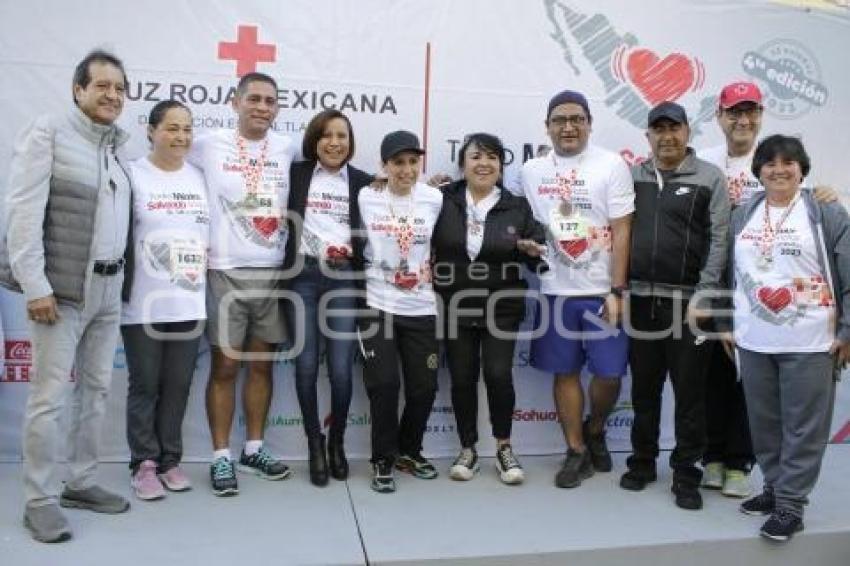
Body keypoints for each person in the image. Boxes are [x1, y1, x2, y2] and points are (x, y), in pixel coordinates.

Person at [0, 49, 133, 542]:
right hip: (61, 289)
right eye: (101, 85)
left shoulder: (115, 148)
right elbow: (22, 214)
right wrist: (35, 286)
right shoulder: (49, 134)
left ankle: (81, 481)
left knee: (96, 391)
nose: (111, 95)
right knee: (48, 397)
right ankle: (39, 498)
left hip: (108, 288)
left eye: (119, 88)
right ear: (78, 90)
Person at [718, 135, 850, 541]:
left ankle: (791, 505)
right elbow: (730, 274)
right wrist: (728, 322)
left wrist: (847, 331)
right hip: (755, 340)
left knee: (803, 428)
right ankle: (775, 488)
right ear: (758, 169)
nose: (779, 169)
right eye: (770, 163)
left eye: (788, 162)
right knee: (765, 424)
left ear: (802, 169)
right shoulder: (744, 213)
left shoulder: (825, 210)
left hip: (811, 341)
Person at [519, 90, 634, 489]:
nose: (568, 126)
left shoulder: (611, 164)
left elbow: (622, 230)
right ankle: (576, 450)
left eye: (576, 119)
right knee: (564, 373)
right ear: (547, 126)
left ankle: (596, 428)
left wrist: (617, 290)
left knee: (609, 373)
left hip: (602, 290)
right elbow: (526, 223)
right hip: (554, 289)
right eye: (559, 120)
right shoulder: (532, 170)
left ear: (589, 123)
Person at [621, 101, 730, 511]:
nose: (666, 136)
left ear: (687, 132)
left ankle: (687, 473)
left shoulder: (710, 177)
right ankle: (642, 462)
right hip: (641, 300)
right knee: (644, 390)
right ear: (648, 135)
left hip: (689, 304)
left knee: (690, 396)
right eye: (658, 129)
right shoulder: (631, 176)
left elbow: (720, 239)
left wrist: (705, 293)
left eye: (674, 128)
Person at [188, 72, 294, 496]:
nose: (262, 108)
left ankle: (253, 449)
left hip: (271, 271)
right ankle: (220, 457)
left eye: (270, 101)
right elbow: (169, 158)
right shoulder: (208, 143)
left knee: (262, 365)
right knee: (225, 366)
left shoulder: (285, 147)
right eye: (254, 99)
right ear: (235, 103)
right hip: (224, 270)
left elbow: (331, 169)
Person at [432, 133, 546, 484]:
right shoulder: (440, 199)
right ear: (462, 164)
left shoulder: (517, 205)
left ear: (501, 165)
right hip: (455, 304)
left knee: (498, 374)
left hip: (502, 305)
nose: (484, 163)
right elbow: (401, 209)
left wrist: (533, 249)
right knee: (462, 377)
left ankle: (503, 447)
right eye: (476, 156)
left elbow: (539, 248)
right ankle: (467, 449)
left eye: (493, 157)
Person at [122, 100, 209, 500]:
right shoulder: (132, 175)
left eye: (187, 129)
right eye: (172, 128)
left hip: (189, 303)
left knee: (178, 385)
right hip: (143, 304)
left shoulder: (199, 177)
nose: (181, 137)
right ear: (152, 131)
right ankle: (144, 464)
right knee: (145, 384)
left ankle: (171, 461)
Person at [284, 109, 372, 486]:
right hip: (301, 276)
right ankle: (313, 444)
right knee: (305, 366)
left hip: (343, 280)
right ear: (314, 140)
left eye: (342, 136)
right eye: (327, 135)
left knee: (339, 370)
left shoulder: (365, 183)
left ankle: (336, 441)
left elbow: (404, 197)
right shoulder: (296, 174)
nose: (335, 142)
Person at [352, 130, 443, 493]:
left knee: (424, 387)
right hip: (379, 304)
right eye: (398, 163)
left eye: (412, 162)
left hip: (421, 306)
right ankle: (382, 459)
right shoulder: (366, 195)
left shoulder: (434, 198)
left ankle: (410, 451)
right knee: (385, 385)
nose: (406, 170)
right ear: (384, 166)